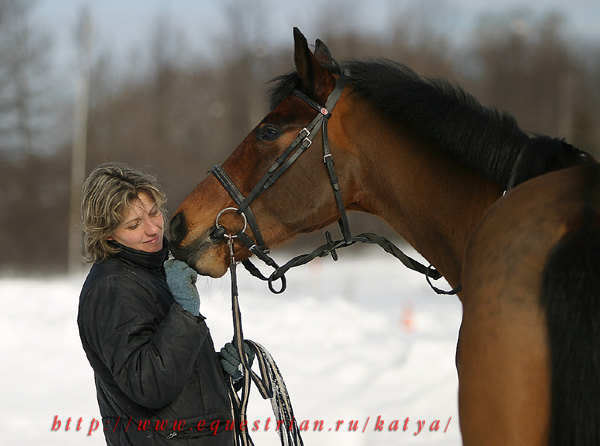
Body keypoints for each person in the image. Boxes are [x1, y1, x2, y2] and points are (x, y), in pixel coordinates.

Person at [77, 162, 248, 445]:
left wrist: (217, 372)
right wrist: (183, 311)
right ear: (107, 234)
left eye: (154, 212)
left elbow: (167, 367)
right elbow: (148, 385)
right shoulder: (111, 289)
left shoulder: (154, 270)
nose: (153, 229)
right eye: (133, 225)